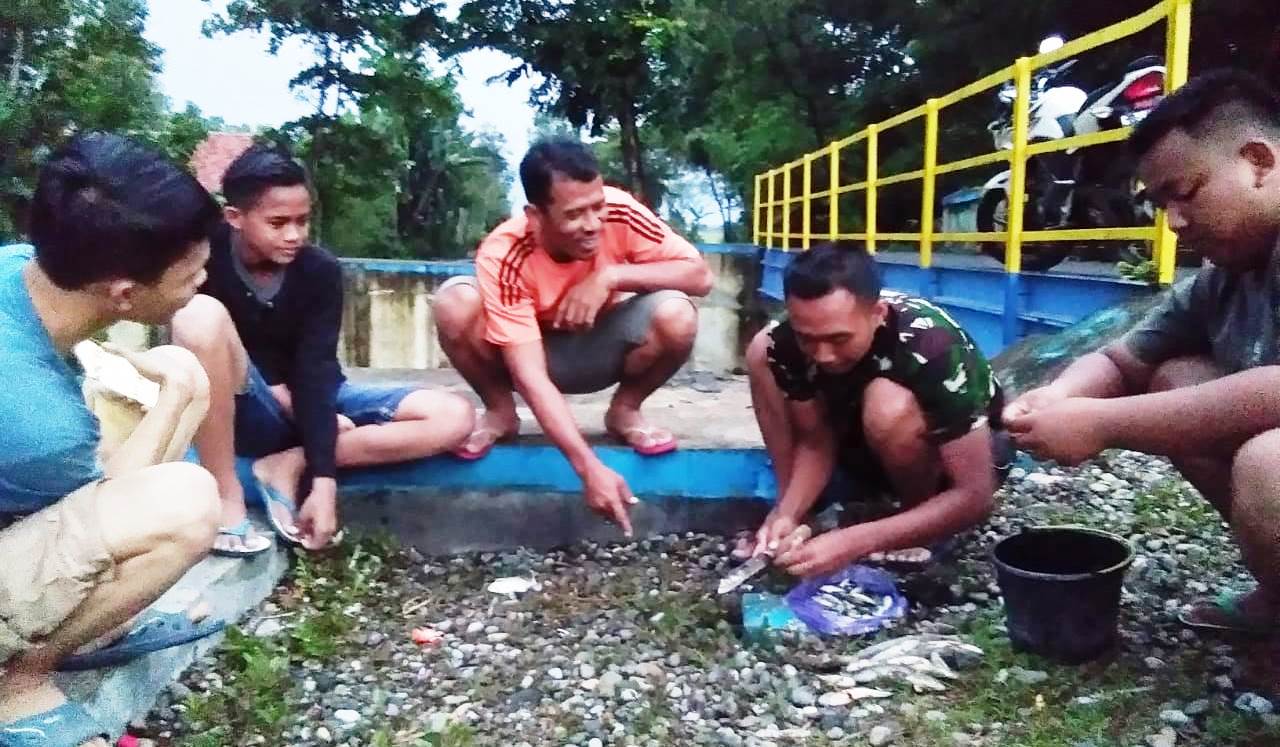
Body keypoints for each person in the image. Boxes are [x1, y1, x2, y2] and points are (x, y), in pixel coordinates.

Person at [1004, 70, 1280, 634]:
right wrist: (1059, 396)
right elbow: (1122, 360)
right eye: (1160, 205)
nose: (1174, 223)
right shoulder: (1225, 275)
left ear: (1258, 161)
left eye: (1185, 194)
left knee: (1269, 462)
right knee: (1176, 377)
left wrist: (1102, 423)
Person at [0, 133, 222, 746]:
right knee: (185, 505)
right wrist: (173, 396)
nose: (202, 282)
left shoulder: (19, 266)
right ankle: (18, 681)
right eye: (191, 275)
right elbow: (105, 513)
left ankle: (79, 630)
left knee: (186, 379)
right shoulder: (39, 423)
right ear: (124, 294)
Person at [173, 145, 475, 554]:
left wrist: (323, 479)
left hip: (313, 397)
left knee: (454, 416)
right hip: (241, 403)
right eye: (278, 223)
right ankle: (228, 499)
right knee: (197, 316)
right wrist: (284, 399)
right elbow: (194, 347)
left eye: (302, 221)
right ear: (235, 218)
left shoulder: (318, 270)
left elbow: (314, 370)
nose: (294, 235)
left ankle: (288, 463)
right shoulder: (203, 258)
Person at [433, 138, 713, 536]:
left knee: (677, 315)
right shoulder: (504, 253)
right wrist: (588, 467)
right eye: (574, 214)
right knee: (454, 303)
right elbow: (530, 375)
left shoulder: (619, 210)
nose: (593, 224)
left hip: (600, 346)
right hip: (527, 357)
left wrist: (611, 276)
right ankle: (500, 411)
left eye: (597, 206)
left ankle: (625, 410)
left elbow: (699, 276)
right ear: (535, 216)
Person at [739, 242, 1013, 577]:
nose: (823, 355)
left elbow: (975, 495)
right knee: (762, 348)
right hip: (865, 446)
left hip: (958, 460)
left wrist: (854, 542)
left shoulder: (934, 346)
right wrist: (789, 512)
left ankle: (916, 521)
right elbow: (815, 440)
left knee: (887, 405)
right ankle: (793, 514)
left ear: (878, 314)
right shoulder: (788, 341)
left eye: (839, 340)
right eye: (807, 338)